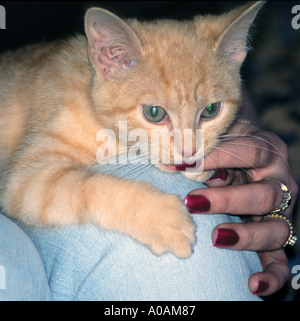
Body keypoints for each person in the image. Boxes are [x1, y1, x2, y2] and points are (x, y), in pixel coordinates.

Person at [0, 117, 298, 300]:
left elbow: (229, 83)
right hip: (45, 143)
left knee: (187, 256)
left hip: (108, 129)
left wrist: (245, 139)